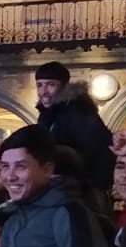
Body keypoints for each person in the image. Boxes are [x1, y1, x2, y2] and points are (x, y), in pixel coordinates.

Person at [32, 62, 113, 204]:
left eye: (51, 84)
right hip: (58, 189)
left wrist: (89, 186)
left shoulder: (78, 112)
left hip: (78, 192)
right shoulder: (47, 115)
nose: (43, 91)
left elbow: (98, 151)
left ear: (64, 86)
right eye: (39, 85)